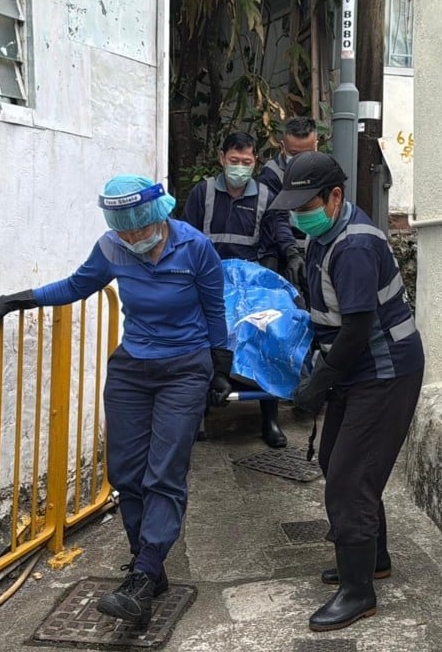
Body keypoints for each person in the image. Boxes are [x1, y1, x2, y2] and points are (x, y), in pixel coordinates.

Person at [0, 175, 234, 626]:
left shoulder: (195, 248)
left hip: (184, 368)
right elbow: (76, 285)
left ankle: (142, 575)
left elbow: (215, 309)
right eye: (124, 230)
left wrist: (220, 366)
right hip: (132, 369)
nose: (132, 238)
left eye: (138, 228)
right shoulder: (112, 248)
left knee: (164, 473)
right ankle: (147, 567)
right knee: (126, 472)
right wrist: (16, 300)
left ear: (159, 215)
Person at [268, 152, 425, 632]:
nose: (298, 216)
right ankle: (372, 558)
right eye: (292, 208)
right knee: (336, 457)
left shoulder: (353, 246)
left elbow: (357, 330)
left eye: (306, 205)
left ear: (335, 197)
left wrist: (319, 383)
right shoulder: (324, 233)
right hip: (360, 369)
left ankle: (358, 593)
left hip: (383, 371)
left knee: (348, 478)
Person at [181, 131, 305, 449]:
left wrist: (291, 253)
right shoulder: (203, 193)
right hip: (210, 278)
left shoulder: (265, 195)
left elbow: (278, 227)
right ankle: (200, 410)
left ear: (255, 162)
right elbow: (186, 235)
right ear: (222, 158)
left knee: (271, 329)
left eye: (246, 161)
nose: (240, 167)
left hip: (250, 280)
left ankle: (270, 417)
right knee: (199, 331)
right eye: (234, 161)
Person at [258, 116, 318, 268]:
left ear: (316, 146)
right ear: (282, 146)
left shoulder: (323, 168)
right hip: (285, 251)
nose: (300, 160)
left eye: (307, 153)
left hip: (317, 246)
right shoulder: (271, 174)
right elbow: (276, 219)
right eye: (294, 153)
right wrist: (292, 253)